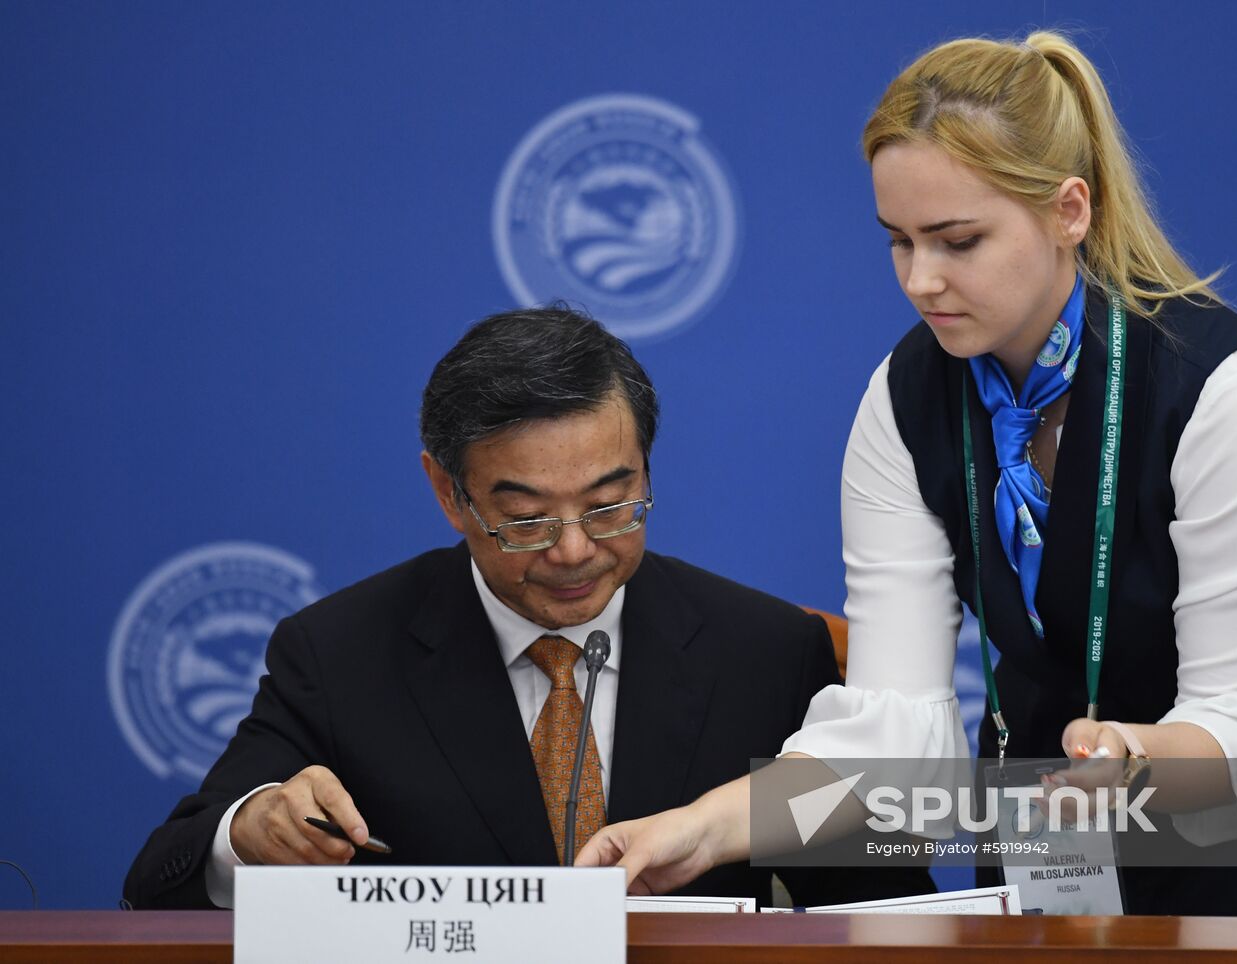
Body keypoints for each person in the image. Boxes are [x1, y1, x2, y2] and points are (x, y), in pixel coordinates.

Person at [577, 31, 1237, 915]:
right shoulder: (901, 399)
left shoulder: (1223, 386)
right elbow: (893, 733)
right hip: (1055, 801)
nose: (922, 281)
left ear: (1068, 212)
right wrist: (706, 826)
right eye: (899, 242)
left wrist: (1132, 759)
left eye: (958, 240)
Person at [122, 305, 931, 910]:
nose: (575, 550)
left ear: (647, 472)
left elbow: (887, 911)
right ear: (449, 492)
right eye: (529, 519)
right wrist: (252, 831)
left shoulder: (766, 649)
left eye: (613, 505)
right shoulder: (340, 656)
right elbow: (164, 878)